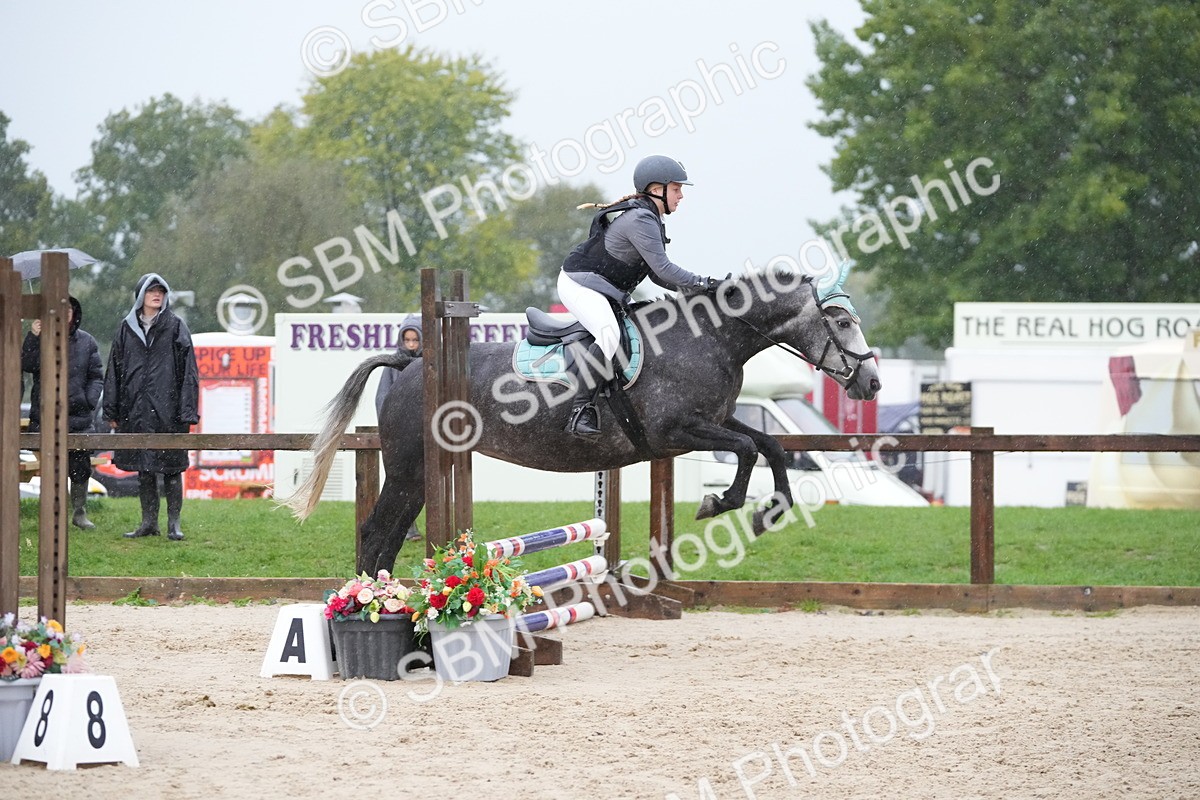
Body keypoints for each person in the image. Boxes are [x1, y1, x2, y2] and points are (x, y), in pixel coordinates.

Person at [557, 154, 721, 438]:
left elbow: (656, 276)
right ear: (657, 189)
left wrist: (700, 291)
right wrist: (704, 283)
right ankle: (580, 411)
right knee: (609, 335)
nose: (681, 195)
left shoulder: (650, 217)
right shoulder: (641, 218)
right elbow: (665, 269)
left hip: (602, 288)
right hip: (579, 284)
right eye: (677, 188)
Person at [103, 273, 200, 541]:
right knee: (145, 468)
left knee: (171, 467)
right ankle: (148, 523)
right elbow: (114, 371)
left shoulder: (176, 326)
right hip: (136, 410)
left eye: (161, 291)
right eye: (151, 291)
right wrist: (111, 411)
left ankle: (174, 524)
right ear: (141, 295)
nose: (157, 295)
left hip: (169, 411)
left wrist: (187, 411)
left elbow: (189, 373)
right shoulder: (126, 329)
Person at [21, 296, 105, 529]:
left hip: (79, 418)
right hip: (46, 417)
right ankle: (52, 517)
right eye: (60, 309)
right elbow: (27, 364)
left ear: (74, 313)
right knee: (51, 470)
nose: (65, 312)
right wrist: (33, 336)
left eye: (69, 309)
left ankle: (79, 513)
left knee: (80, 468)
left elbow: (97, 375)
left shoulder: (87, 342)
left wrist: (89, 399)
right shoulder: (42, 338)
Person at [373, 314, 423, 542]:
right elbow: (383, 397)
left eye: (415, 340)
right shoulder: (393, 363)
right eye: (408, 340)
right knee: (401, 482)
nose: (411, 345)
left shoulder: (428, 362)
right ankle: (407, 529)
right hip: (401, 433)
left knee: (421, 482)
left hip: (425, 431)